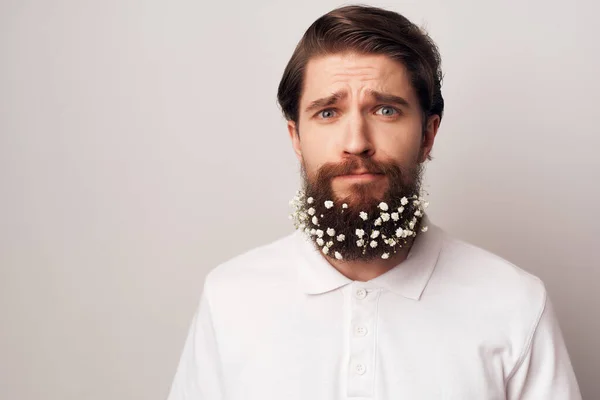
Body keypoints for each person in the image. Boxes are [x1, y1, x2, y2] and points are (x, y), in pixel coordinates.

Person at [166, 5, 581, 399]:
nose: (356, 143)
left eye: (385, 110)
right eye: (328, 112)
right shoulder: (231, 299)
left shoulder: (514, 303)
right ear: (296, 137)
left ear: (428, 135)